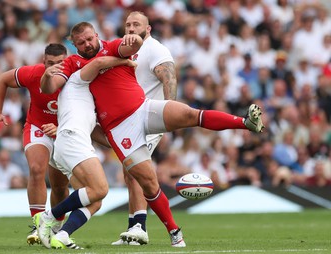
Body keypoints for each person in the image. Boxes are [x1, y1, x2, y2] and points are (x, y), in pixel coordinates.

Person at [41, 21, 265, 247]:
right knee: (149, 184)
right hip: (120, 129)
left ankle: (245, 122)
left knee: (190, 114)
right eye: (81, 42)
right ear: (73, 43)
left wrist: (134, 39)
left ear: (97, 35)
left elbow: (134, 45)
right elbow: (52, 86)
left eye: (90, 39)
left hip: (143, 108)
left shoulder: (112, 46)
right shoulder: (72, 63)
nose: (87, 44)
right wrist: (48, 76)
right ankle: (174, 232)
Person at [35, 55, 137, 250]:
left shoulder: (90, 97)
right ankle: (48, 216)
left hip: (68, 143)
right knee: (100, 189)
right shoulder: (77, 79)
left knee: (95, 201)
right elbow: (98, 63)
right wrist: (125, 61)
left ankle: (63, 234)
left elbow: (100, 135)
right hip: (72, 140)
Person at [0, 43, 69, 245]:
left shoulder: (77, 76)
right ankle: (38, 223)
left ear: (66, 61)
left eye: (60, 63)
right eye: (51, 63)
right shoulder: (33, 73)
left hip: (64, 131)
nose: (55, 67)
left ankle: (56, 226)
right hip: (38, 127)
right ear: (44, 62)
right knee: (35, 168)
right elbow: (2, 79)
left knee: (59, 186)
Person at [111, 11, 178, 246]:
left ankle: (140, 227)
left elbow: (169, 78)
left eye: (136, 24)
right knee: (130, 173)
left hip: (149, 119)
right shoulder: (122, 48)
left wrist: (170, 114)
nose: (130, 28)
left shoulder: (154, 49)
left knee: (135, 172)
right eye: (128, 24)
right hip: (129, 121)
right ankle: (134, 227)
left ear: (147, 29)